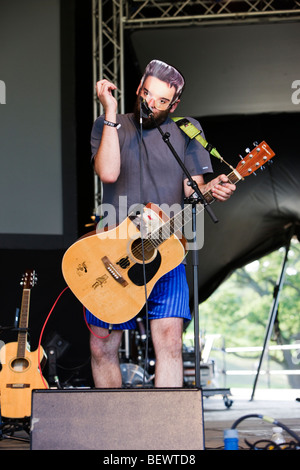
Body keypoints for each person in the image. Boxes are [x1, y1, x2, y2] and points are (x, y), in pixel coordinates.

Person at [85, 59, 235, 388]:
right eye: (146, 93)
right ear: (138, 88)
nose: (150, 103)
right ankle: (112, 432)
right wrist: (109, 110)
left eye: (161, 100)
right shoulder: (107, 123)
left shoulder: (187, 129)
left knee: (169, 342)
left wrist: (214, 188)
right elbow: (108, 173)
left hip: (166, 252)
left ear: (174, 104)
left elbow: (192, 191)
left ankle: (164, 435)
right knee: (102, 345)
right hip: (112, 249)